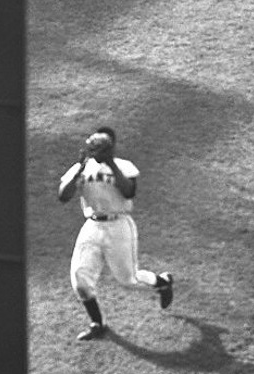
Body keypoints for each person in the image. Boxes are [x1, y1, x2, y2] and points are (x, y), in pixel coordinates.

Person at [58, 126, 174, 341]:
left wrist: (109, 162)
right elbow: (63, 196)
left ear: (112, 147)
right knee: (80, 280)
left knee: (128, 280)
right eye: (97, 146)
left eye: (105, 147)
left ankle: (162, 282)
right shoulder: (81, 167)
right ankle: (97, 323)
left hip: (119, 225)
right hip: (92, 225)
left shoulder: (124, 166)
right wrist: (80, 167)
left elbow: (129, 191)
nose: (100, 150)